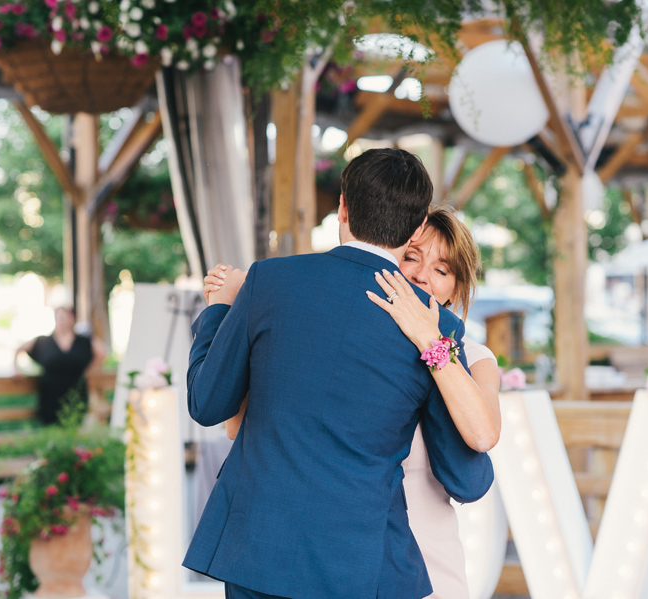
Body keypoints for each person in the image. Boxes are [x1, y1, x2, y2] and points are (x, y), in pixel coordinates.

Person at [185, 148, 494, 599]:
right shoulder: (436, 328)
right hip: (360, 565)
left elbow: (208, 404)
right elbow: (468, 479)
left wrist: (217, 310)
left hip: (257, 551)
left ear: (343, 207)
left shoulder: (268, 280)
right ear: (416, 228)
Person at [369, 205, 502, 598]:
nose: (422, 276)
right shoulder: (364, 351)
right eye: (411, 257)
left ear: (456, 288)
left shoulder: (475, 357)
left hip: (431, 560)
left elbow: (483, 434)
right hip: (358, 554)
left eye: (442, 270)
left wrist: (432, 341)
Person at [14, 307, 106, 425]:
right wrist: (16, 369)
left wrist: (90, 369)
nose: (62, 321)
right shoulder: (44, 341)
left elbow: (102, 352)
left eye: (65, 317)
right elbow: (20, 349)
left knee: (75, 426)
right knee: (51, 428)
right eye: (59, 317)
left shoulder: (82, 340)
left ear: (71, 318)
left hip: (76, 391)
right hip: (50, 395)